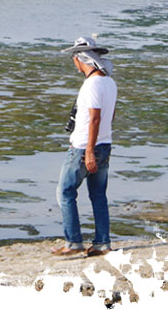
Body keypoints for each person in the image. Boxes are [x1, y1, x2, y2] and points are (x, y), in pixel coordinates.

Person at [53, 36, 117, 258]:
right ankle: (102, 243)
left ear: (81, 59)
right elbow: (110, 116)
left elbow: (95, 118)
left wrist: (89, 150)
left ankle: (73, 242)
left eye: (74, 58)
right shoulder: (109, 82)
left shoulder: (91, 84)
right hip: (105, 144)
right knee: (98, 195)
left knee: (65, 192)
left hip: (83, 147)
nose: (73, 62)